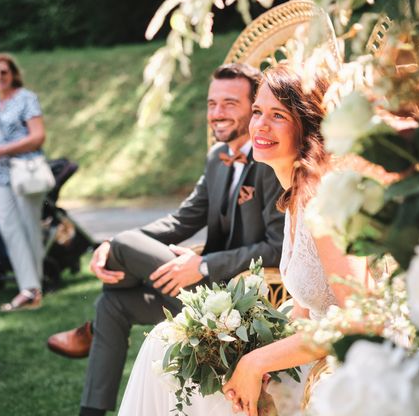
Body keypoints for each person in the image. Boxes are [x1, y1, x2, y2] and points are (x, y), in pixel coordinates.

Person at [117, 63, 372, 415]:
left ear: (308, 126)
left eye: (278, 115)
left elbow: (361, 320)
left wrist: (255, 363)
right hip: (307, 354)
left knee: (192, 382)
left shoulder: (325, 203)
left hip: (346, 370)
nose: (260, 125)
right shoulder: (295, 197)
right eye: (257, 111)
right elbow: (303, 311)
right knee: (163, 343)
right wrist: (245, 348)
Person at [47, 63, 285, 416]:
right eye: (211, 103)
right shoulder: (217, 160)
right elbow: (181, 220)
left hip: (239, 302)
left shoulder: (270, 161)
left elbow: (278, 247)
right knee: (113, 302)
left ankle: (92, 331)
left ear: (252, 109)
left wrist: (202, 264)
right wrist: (111, 246)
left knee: (124, 246)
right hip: (201, 291)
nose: (216, 113)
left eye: (229, 103)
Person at [0, 53, 47, 311]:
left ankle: (34, 290)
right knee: (9, 230)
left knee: (30, 228)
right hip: (1, 174)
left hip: (25, 171)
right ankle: (27, 287)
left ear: (13, 74)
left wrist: (2, 150)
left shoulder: (26, 98)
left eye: (3, 72)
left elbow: (38, 136)